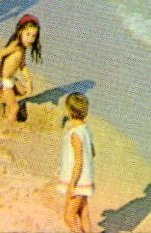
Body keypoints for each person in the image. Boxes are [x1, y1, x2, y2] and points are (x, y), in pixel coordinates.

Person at [0, 15, 42, 123]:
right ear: (20, 31)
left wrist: (28, 81)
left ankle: (0, 96)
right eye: (28, 34)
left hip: (10, 79)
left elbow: (22, 65)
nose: (30, 38)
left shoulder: (23, 49)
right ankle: (9, 127)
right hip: (3, 81)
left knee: (23, 91)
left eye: (33, 36)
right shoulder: (15, 45)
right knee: (15, 109)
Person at [58, 91, 95, 233]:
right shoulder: (85, 130)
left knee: (69, 217)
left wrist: (71, 186)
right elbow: (92, 153)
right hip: (85, 181)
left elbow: (78, 162)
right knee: (83, 214)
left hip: (77, 182)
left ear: (68, 111)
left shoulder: (75, 135)